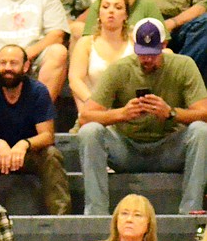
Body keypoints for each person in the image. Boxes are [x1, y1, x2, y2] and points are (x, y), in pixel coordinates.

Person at [79, 18, 207, 214]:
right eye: (142, 54)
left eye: (153, 54)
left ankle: (190, 211)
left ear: (163, 46)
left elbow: (204, 113)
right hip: (127, 149)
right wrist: (122, 114)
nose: (147, 60)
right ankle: (96, 212)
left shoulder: (183, 65)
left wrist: (171, 114)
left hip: (168, 148)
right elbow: (85, 116)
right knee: (90, 131)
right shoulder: (119, 69)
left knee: (201, 131)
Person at [0, 44, 71, 216]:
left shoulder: (38, 91)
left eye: (13, 63)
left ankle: (61, 217)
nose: (7, 68)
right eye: (3, 63)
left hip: (30, 153)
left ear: (26, 66)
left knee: (52, 154)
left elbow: (47, 136)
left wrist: (24, 145)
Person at [0, 0, 70, 100]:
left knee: (58, 52)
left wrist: (22, 58)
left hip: (32, 61)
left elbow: (57, 35)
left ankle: (40, 114)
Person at [70, 0, 135, 120]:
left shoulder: (135, 42)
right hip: (95, 113)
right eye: (106, 7)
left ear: (126, 15)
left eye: (118, 7)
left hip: (129, 112)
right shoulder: (86, 43)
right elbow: (75, 80)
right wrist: (94, 103)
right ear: (99, 13)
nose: (111, 11)